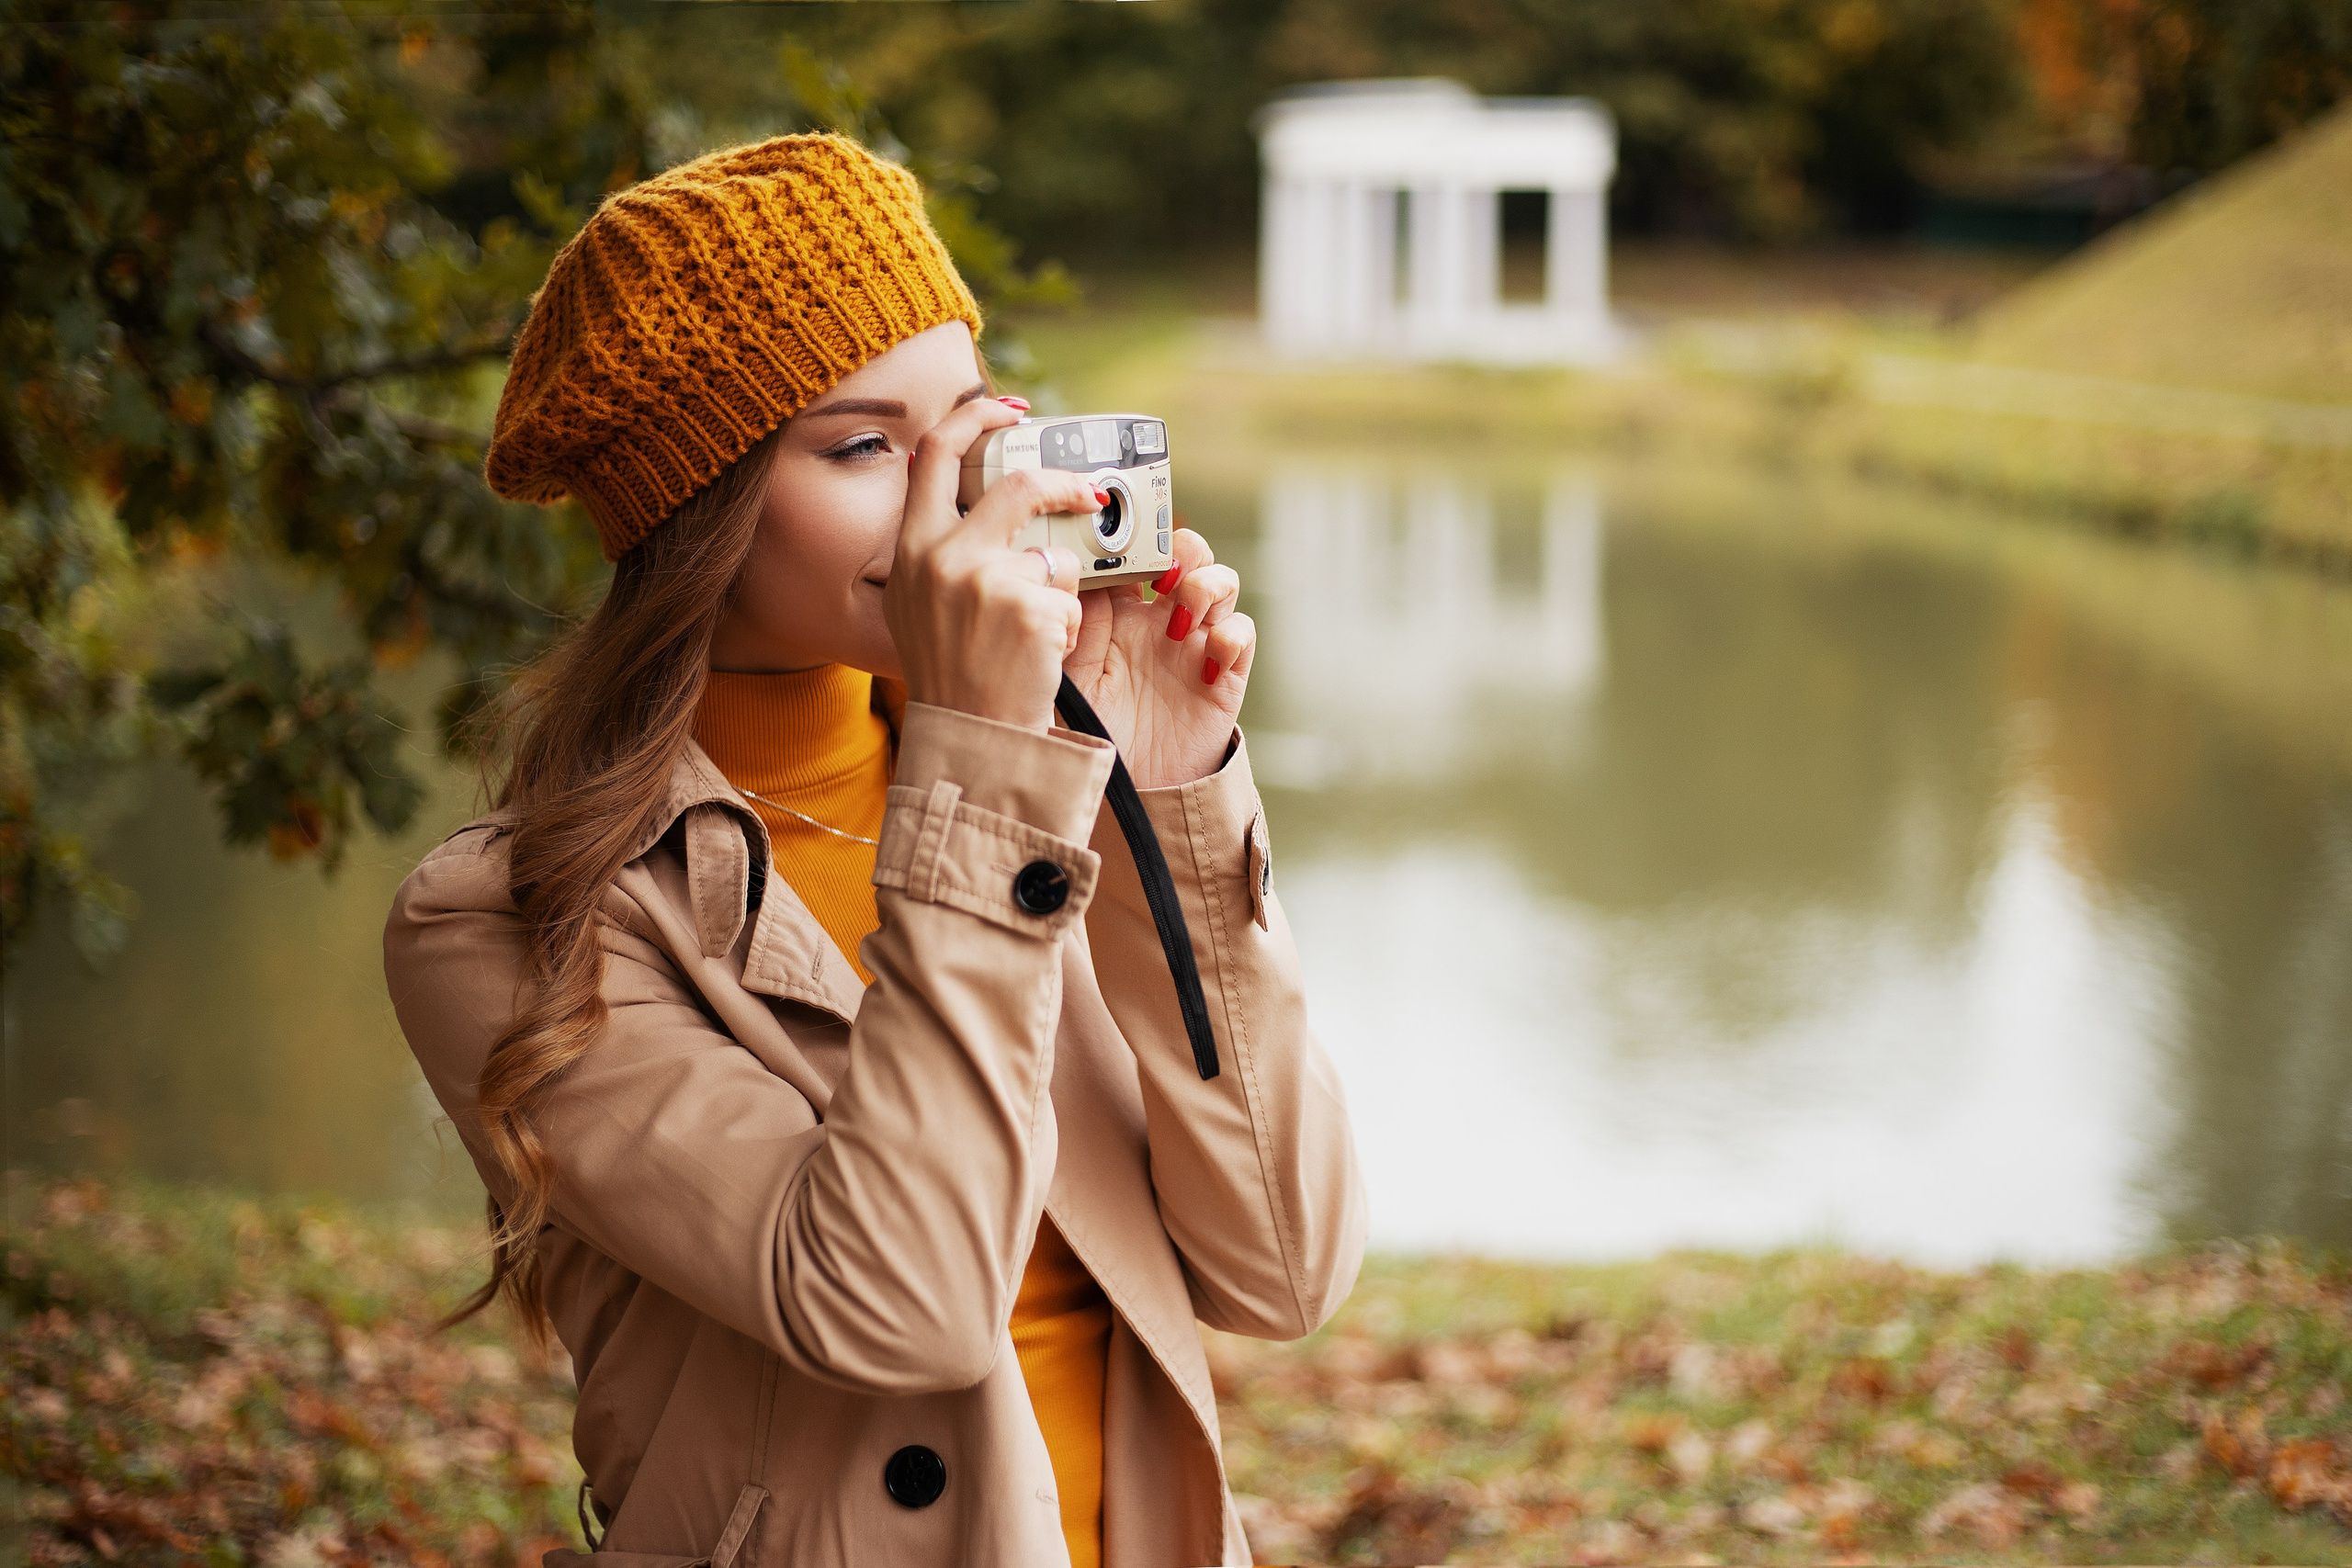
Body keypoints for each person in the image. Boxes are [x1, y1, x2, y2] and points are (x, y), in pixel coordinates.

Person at [381, 134, 1365, 1568]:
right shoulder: (504, 923)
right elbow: (897, 1306)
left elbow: (1281, 1267)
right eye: (861, 447)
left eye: (968, 429)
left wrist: (1169, 795)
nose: (946, 498)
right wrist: (988, 770)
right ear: (696, 513)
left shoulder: (1040, 785)